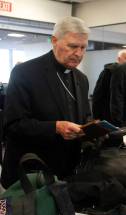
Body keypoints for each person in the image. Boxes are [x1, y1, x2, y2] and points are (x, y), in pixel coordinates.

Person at [1, 17, 91, 188]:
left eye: (83, 47)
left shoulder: (82, 79)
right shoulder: (25, 73)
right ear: (54, 41)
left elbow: (84, 116)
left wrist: (92, 128)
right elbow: (13, 125)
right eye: (73, 46)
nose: (79, 53)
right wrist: (55, 127)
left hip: (66, 173)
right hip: (29, 175)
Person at [92, 49, 126, 121]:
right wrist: (96, 116)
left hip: (124, 117)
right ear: (119, 59)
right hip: (107, 114)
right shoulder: (108, 72)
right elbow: (98, 95)